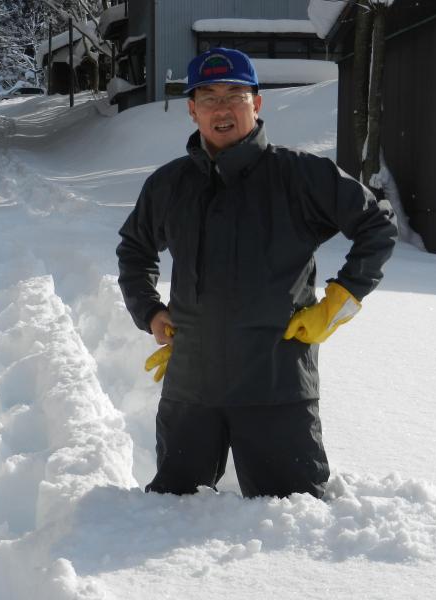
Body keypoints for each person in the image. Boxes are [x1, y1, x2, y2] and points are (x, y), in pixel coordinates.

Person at [116, 48, 397, 499]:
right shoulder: (170, 185)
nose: (222, 108)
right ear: (192, 110)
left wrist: (340, 299)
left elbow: (377, 224)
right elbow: (134, 250)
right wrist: (149, 311)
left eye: (235, 95)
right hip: (191, 386)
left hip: (277, 383)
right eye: (208, 97)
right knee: (171, 514)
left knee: (288, 520)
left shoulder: (300, 176)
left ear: (257, 104)